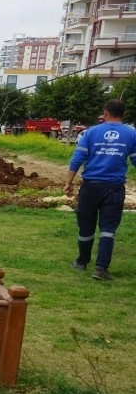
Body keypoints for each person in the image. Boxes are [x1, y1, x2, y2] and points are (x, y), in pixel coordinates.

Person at [64, 98, 136, 281]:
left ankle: (81, 262)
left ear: (105, 113)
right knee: (108, 229)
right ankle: (101, 269)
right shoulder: (132, 134)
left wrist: (68, 182)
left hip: (90, 187)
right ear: (124, 114)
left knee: (86, 226)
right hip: (114, 188)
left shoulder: (91, 132)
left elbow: (77, 158)